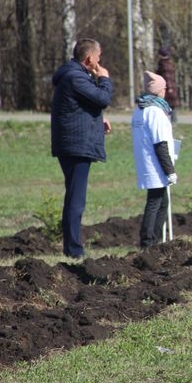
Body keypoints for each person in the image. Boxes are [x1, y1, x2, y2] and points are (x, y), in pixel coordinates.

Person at [51, 38, 113, 259]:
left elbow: (83, 105)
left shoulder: (74, 75)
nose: (100, 60)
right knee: (76, 200)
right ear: (89, 59)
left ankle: (72, 247)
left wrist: (98, 121)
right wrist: (104, 79)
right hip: (75, 147)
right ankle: (73, 250)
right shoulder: (76, 77)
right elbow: (102, 98)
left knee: (74, 197)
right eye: (98, 56)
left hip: (73, 143)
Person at [131, 71, 177, 248]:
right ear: (159, 91)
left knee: (162, 201)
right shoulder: (156, 112)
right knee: (155, 201)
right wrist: (170, 170)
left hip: (146, 162)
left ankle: (154, 241)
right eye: (164, 88)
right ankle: (148, 242)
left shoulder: (139, 111)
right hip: (156, 164)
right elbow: (160, 144)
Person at [156, 46, 179, 123]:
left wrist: (169, 88)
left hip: (167, 88)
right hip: (168, 87)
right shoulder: (169, 63)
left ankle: (171, 121)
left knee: (168, 104)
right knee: (170, 105)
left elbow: (167, 77)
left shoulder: (164, 65)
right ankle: (172, 120)